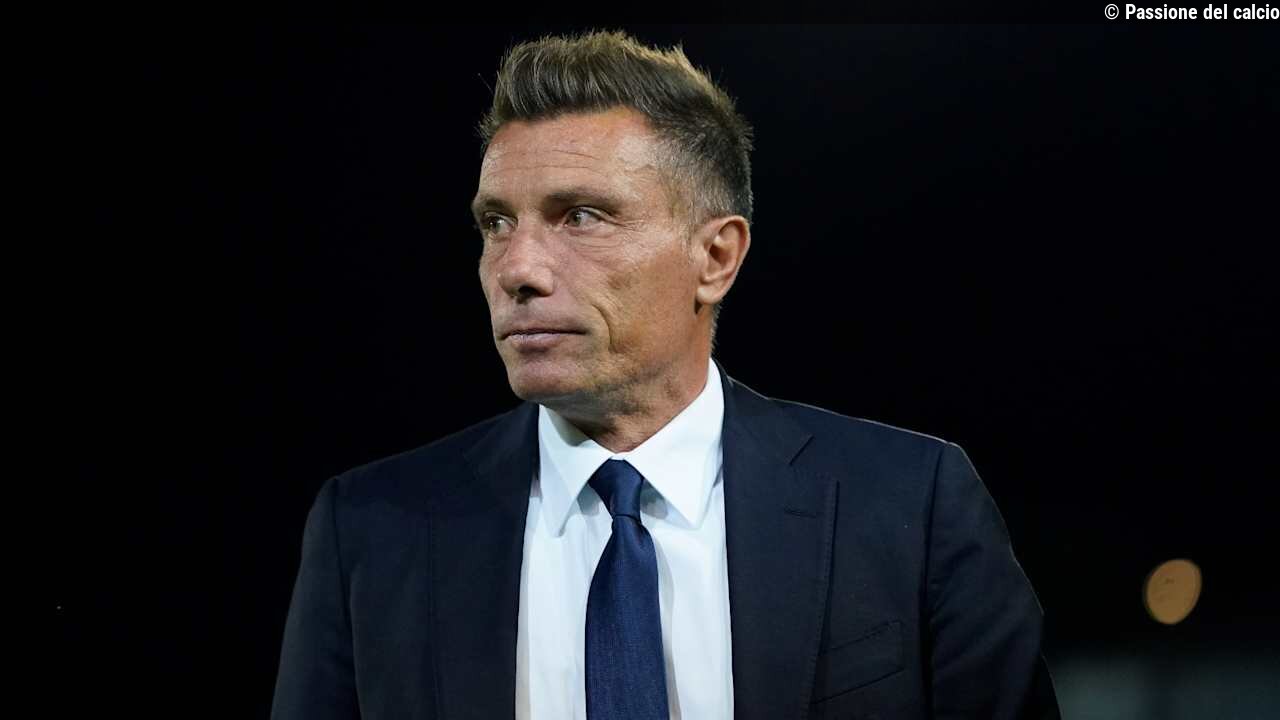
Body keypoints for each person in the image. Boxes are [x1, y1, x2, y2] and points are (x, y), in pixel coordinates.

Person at [270, 30, 1060, 720]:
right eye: (496, 222)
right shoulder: (370, 530)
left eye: (581, 216)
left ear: (715, 256)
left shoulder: (909, 504)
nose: (517, 269)